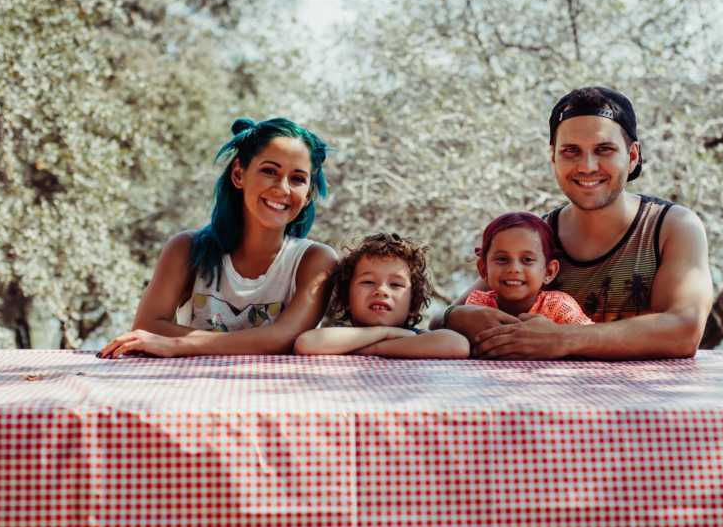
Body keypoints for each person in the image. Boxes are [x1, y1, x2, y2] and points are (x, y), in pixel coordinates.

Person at [435, 86, 714, 359]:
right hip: (547, 403)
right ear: (553, 158)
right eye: (571, 151)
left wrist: (563, 339)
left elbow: (684, 330)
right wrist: (457, 317)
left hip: (650, 402)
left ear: (631, 156)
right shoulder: (535, 236)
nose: (587, 166)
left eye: (604, 149)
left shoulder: (672, 227)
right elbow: (441, 321)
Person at [100, 117, 337, 358]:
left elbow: (284, 338)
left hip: (275, 393)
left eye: (298, 178)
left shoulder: (315, 261)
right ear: (238, 175)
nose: (283, 188)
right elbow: (148, 327)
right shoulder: (185, 249)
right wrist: (259, 341)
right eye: (269, 171)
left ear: (308, 193)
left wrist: (177, 344)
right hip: (188, 390)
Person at [295, 233, 469, 358]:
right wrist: (386, 332)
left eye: (396, 284)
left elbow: (458, 345)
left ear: (412, 304)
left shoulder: (414, 336)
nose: (382, 290)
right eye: (368, 282)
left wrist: (373, 348)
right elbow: (306, 343)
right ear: (347, 297)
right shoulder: (341, 335)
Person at [465, 212, 592, 325]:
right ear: (483, 269)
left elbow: (587, 341)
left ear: (549, 272)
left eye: (527, 260)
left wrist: (554, 336)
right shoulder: (479, 304)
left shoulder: (558, 306)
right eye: (502, 259)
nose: (514, 269)